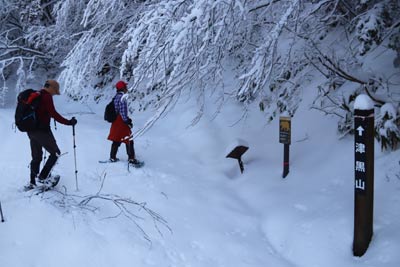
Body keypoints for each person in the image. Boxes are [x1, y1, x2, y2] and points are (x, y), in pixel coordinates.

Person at [25, 80, 77, 190]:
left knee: (36, 157)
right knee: (55, 153)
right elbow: (53, 113)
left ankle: (32, 182)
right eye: (55, 91)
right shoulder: (46, 97)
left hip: (31, 131)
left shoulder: (36, 95)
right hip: (42, 131)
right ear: (52, 88)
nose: (54, 94)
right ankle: (43, 177)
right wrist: (68, 122)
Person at [107, 80, 141, 166]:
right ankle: (131, 158)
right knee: (129, 139)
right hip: (121, 121)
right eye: (125, 87)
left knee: (116, 138)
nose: (127, 88)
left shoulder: (115, 97)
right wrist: (127, 121)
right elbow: (123, 112)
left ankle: (112, 157)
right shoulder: (122, 98)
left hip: (116, 121)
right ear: (122, 88)